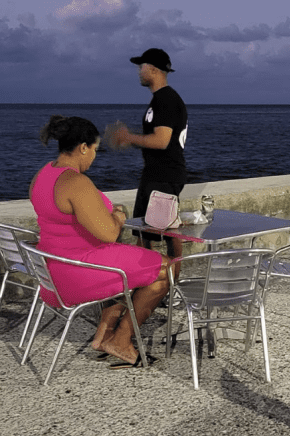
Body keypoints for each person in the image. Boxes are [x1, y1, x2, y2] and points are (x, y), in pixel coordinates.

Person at [31, 116, 171, 366]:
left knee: (134, 263)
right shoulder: (75, 182)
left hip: (52, 270)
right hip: (77, 271)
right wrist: (118, 216)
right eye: (94, 149)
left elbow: (69, 220)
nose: (94, 156)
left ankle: (105, 335)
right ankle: (121, 340)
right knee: (167, 268)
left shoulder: (43, 174)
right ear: (83, 147)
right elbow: (108, 234)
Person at [106, 48, 189, 275]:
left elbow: (162, 141)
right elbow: (156, 140)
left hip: (165, 176)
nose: (138, 72)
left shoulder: (166, 100)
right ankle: (148, 282)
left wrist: (127, 137)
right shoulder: (159, 100)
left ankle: (167, 288)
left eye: (141, 67)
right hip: (155, 175)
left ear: (153, 69)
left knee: (168, 234)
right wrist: (131, 140)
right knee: (144, 232)